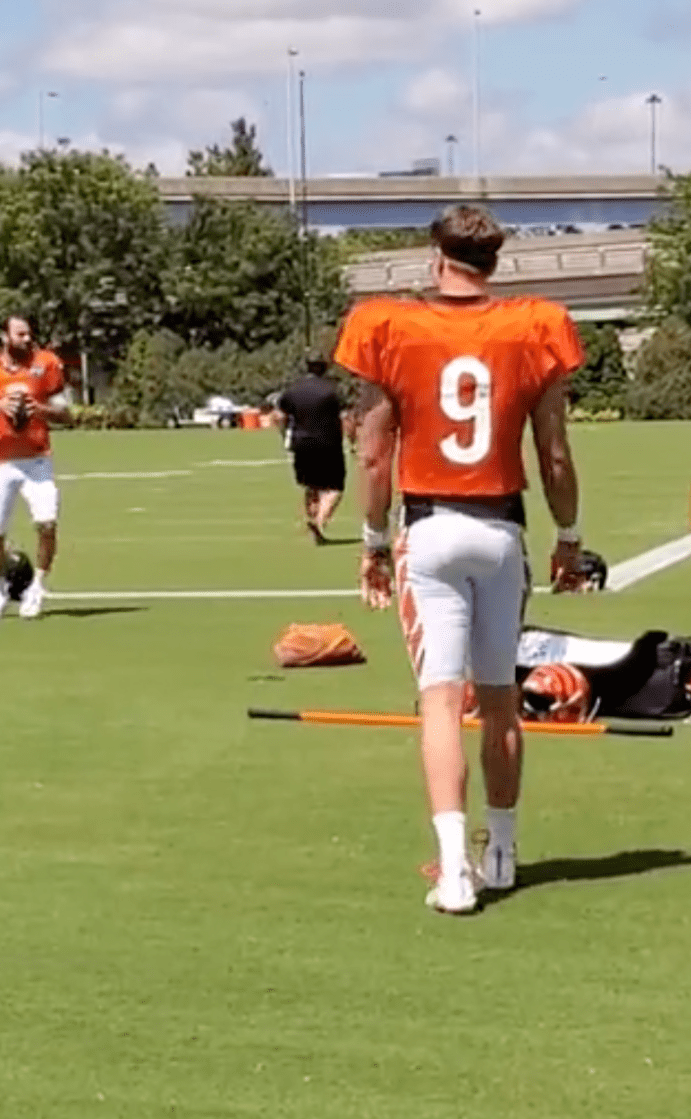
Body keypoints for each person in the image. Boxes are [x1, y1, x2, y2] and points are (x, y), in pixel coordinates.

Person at [333, 203, 586, 915]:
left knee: (442, 700)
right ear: (495, 262)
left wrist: (373, 541)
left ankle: (452, 871)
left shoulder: (390, 325)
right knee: (500, 700)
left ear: (435, 257)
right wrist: (570, 534)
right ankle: (501, 852)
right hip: (502, 528)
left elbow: (376, 450)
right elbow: (555, 451)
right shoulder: (534, 325)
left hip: (431, 527)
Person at [0, 315, 71, 621]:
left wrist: (41, 409)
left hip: (37, 460)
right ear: (4, 336)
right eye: (20, 334)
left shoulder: (46, 363)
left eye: (29, 334)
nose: (27, 339)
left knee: (47, 522)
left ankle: (37, 587)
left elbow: (66, 415)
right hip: (0, 462)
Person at [269, 353, 346, 545]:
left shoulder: (293, 391)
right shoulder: (332, 391)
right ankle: (319, 522)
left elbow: (278, 416)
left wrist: (284, 434)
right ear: (324, 368)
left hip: (301, 443)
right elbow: (346, 417)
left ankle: (311, 521)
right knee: (334, 487)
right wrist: (352, 440)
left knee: (311, 485)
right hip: (329, 444)